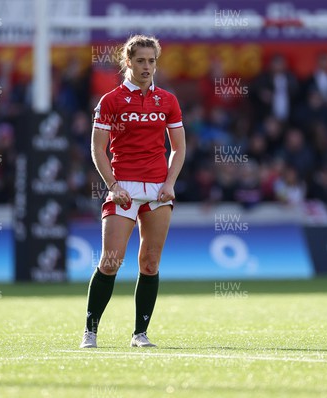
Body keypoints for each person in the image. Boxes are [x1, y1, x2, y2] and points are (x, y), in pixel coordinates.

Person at [80, 35, 186, 348]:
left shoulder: (167, 100)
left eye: (151, 61)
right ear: (128, 62)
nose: (146, 66)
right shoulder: (111, 101)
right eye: (140, 60)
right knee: (111, 260)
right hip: (123, 187)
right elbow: (98, 148)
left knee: (150, 263)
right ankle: (90, 331)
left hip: (157, 190)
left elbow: (179, 148)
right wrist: (112, 186)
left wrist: (169, 183)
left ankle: (140, 334)